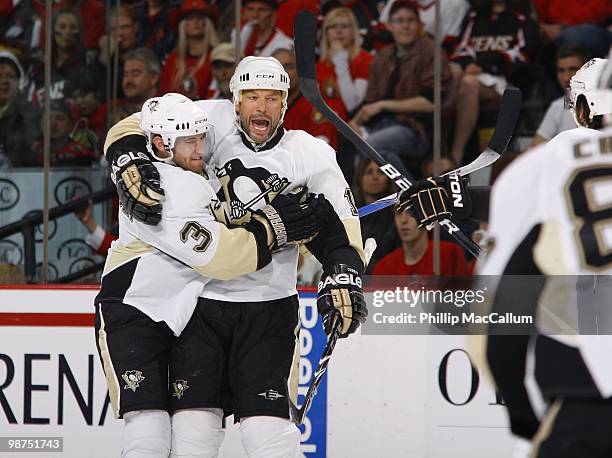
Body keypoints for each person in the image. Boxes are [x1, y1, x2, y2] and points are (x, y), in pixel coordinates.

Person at [103, 56, 367, 456]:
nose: (261, 107)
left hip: (269, 308)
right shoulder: (207, 120)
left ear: (285, 104)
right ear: (235, 101)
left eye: (272, 98)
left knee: (268, 436)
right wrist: (129, 159)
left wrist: (343, 274)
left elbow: (340, 231)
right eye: (252, 97)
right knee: (194, 433)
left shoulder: (311, 155)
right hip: (199, 306)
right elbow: (134, 126)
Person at [396, 55, 612, 457]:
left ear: (583, 109)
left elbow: (503, 304)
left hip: (583, 383)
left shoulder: (563, 154)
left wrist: (457, 200)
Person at [349, 0, 451, 180]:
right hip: (379, 126)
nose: (405, 26)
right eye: (399, 21)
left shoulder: (431, 51)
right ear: (389, 25)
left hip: (415, 129)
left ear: (420, 25)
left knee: (371, 145)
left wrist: (383, 106)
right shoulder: (382, 56)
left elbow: (432, 102)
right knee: (360, 145)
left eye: (410, 20)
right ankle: (361, 203)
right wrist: (354, 122)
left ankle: (412, 200)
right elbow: (370, 102)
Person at [449, 0, 538, 164]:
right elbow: (460, 49)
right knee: (453, 73)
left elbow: (522, 55)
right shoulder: (474, 16)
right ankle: (437, 147)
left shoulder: (521, 18)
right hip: (471, 73)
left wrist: (482, 64)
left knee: (469, 83)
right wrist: (469, 64)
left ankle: (455, 154)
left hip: (503, 80)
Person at [372, 208, 469, 275]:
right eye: (399, 213)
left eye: (411, 213)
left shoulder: (450, 253)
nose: (403, 220)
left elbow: (463, 299)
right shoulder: (383, 267)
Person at [317, 7, 373, 121]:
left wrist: (340, 60)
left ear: (353, 31)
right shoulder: (320, 65)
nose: (339, 31)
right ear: (326, 32)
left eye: (344, 26)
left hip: (350, 125)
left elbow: (352, 104)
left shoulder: (365, 60)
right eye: (333, 26)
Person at [530, 44, 590, 147]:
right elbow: (535, 148)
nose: (566, 77)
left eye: (573, 69)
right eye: (561, 70)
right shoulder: (557, 106)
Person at [159, 0, 218, 100]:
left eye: (200, 17)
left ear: (207, 23)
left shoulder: (215, 57)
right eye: (190, 18)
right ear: (183, 25)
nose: (195, 22)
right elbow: (163, 94)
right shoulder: (173, 60)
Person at [0, 50, 40, 167]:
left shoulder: (29, 112)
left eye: (10, 76)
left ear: (20, 81)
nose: (4, 82)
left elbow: (28, 150)